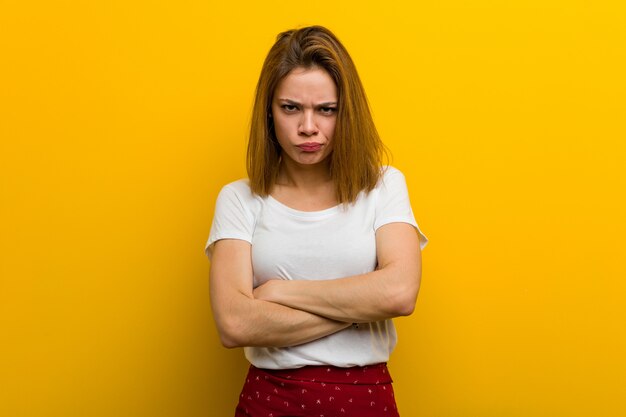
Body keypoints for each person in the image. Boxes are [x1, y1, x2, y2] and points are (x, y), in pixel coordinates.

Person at [205, 25, 428, 417]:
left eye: (326, 109)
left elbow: (399, 294)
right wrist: (360, 307)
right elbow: (235, 323)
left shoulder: (383, 186)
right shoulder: (239, 199)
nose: (308, 127)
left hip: (364, 400)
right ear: (269, 111)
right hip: (268, 401)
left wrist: (278, 291)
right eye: (291, 108)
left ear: (347, 111)